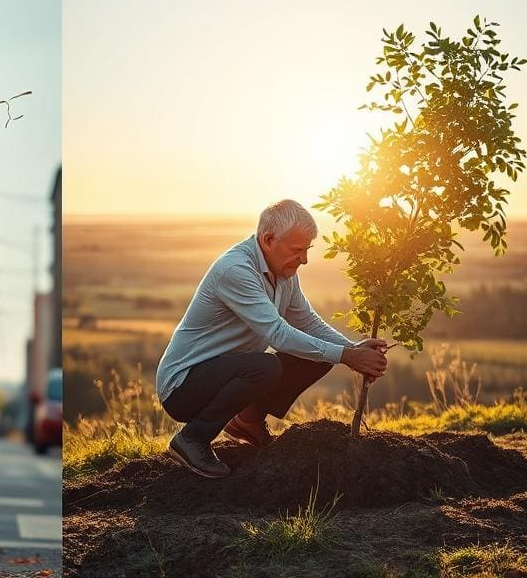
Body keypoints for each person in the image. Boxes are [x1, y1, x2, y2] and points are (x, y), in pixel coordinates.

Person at [156, 199, 389, 478]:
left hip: (226, 372)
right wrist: (348, 357)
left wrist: (351, 350)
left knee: (319, 356)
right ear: (268, 240)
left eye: (306, 251)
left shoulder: (284, 273)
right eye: (297, 250)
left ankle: (248, 422)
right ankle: (192, 439)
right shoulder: (236, 270)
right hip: (183, 387)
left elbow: (307, 322)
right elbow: (277, 334)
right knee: (268, 367)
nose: (303, 259)